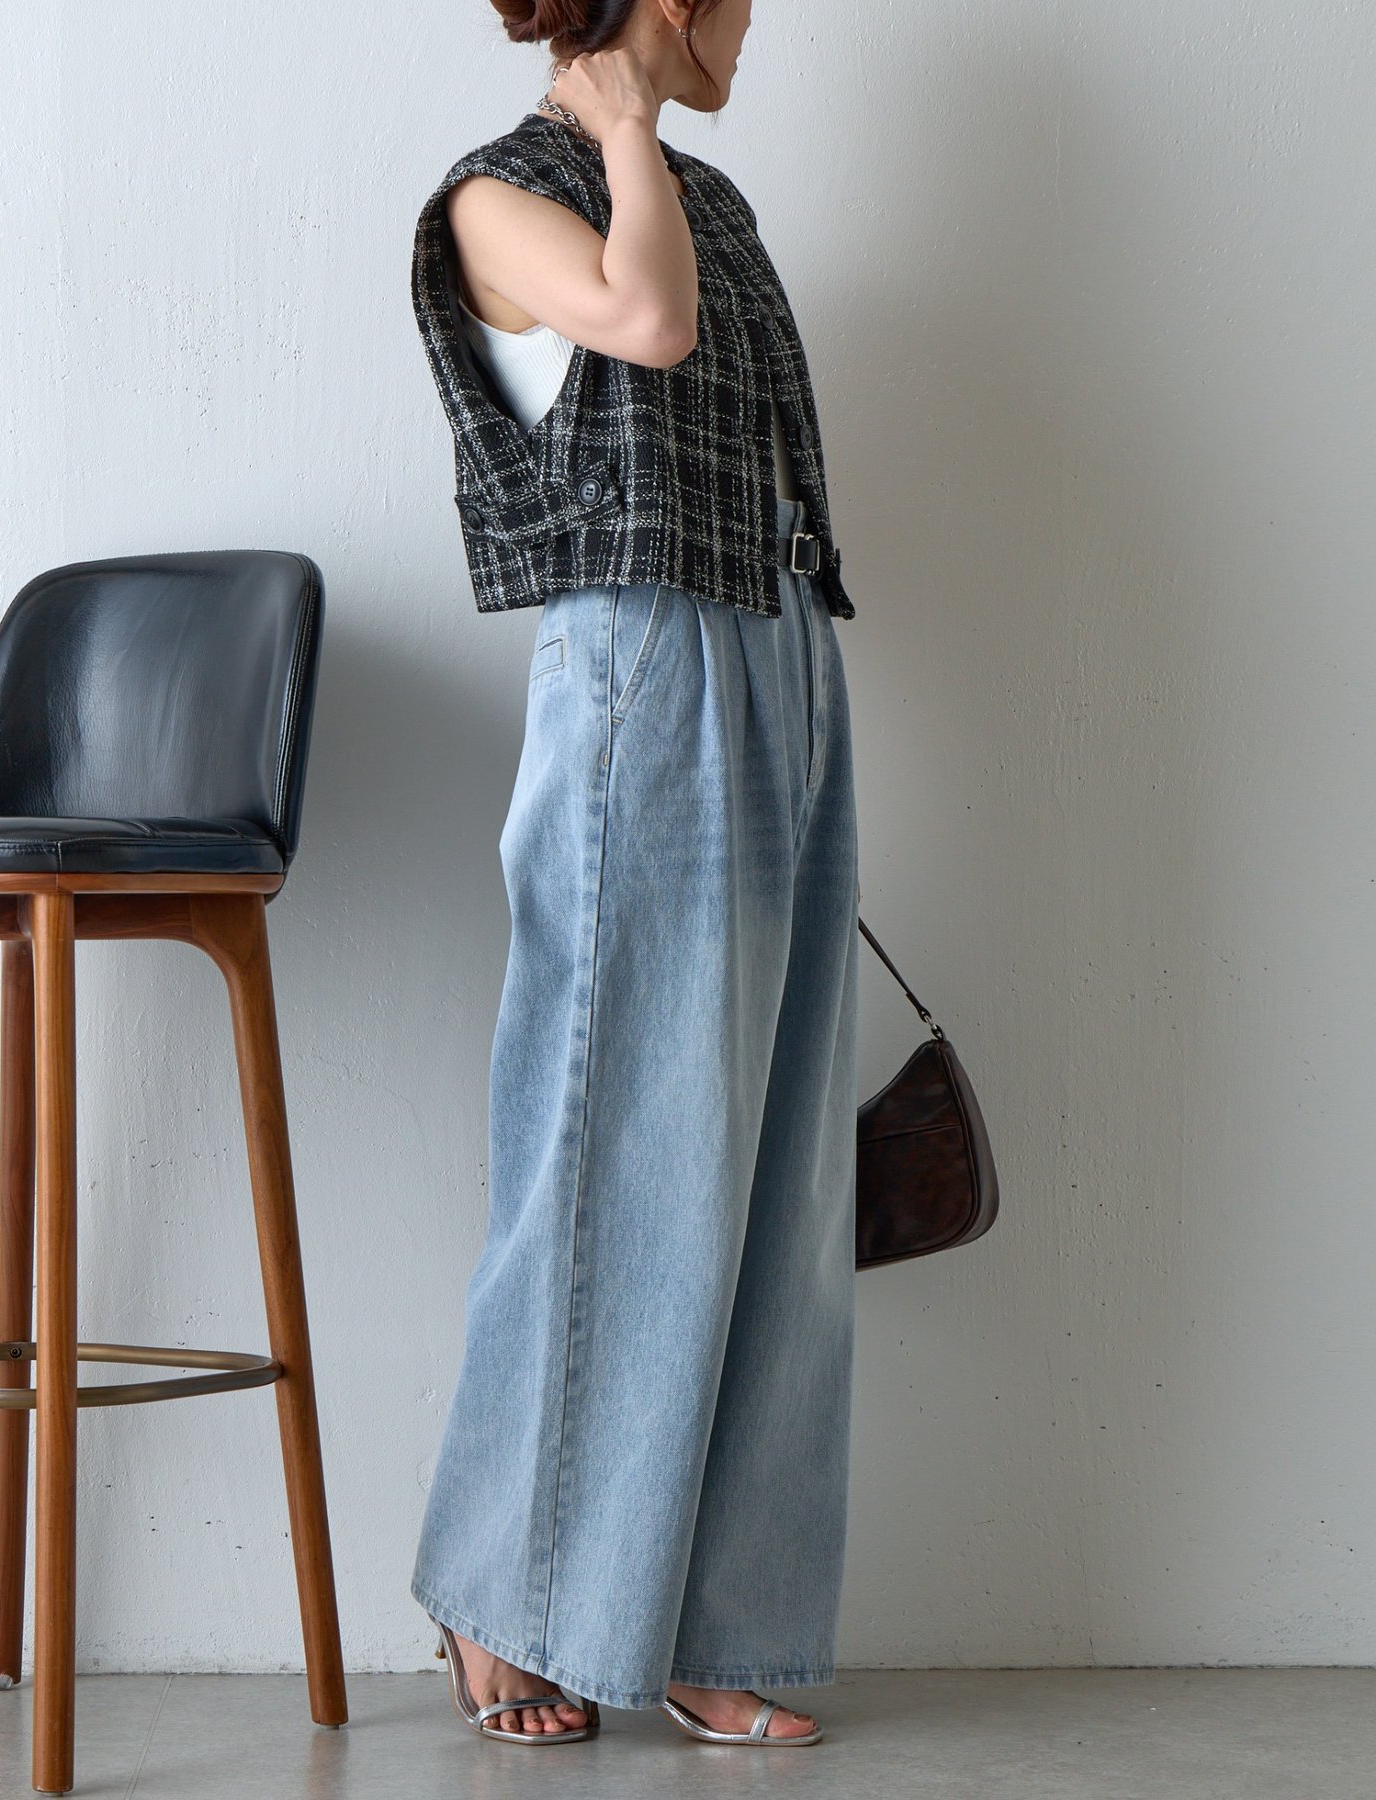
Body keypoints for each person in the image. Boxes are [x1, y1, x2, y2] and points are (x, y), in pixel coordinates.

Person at [406, 0, 861, 1748]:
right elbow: (646, 326)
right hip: (643, 663)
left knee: (774, 1174)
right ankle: (504, 1596)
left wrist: (649, 156)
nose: (754, 25)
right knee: (611, 1147)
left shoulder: (706, 196)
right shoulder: (499, 196)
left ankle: (702, 1614)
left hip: (780, 649)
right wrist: (622, 138)